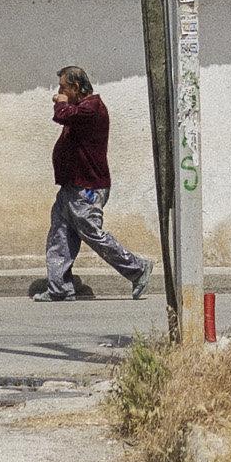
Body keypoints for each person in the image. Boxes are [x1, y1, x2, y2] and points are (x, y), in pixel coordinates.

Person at [34, 65, 150, 303]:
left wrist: (60, 101)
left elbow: (62, 115)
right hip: (72, 186)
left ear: (76, 87)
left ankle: (137, 269)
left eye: (63, 87)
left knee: (93, 234)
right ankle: (60, 288)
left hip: (88, 188)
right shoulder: (81, 107)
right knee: (60, 233)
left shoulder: (92, 108)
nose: (59, 91)